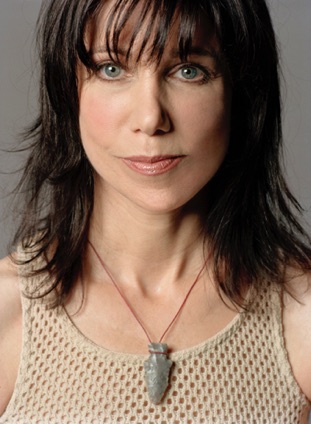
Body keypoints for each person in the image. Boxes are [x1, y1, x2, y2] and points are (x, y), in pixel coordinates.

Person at [0, 0, 310, 422]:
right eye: (111, 69)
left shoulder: (300, 312)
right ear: (67, 89)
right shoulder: (8, 310)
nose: (151, 118)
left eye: (188, 70)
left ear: (242, 91)